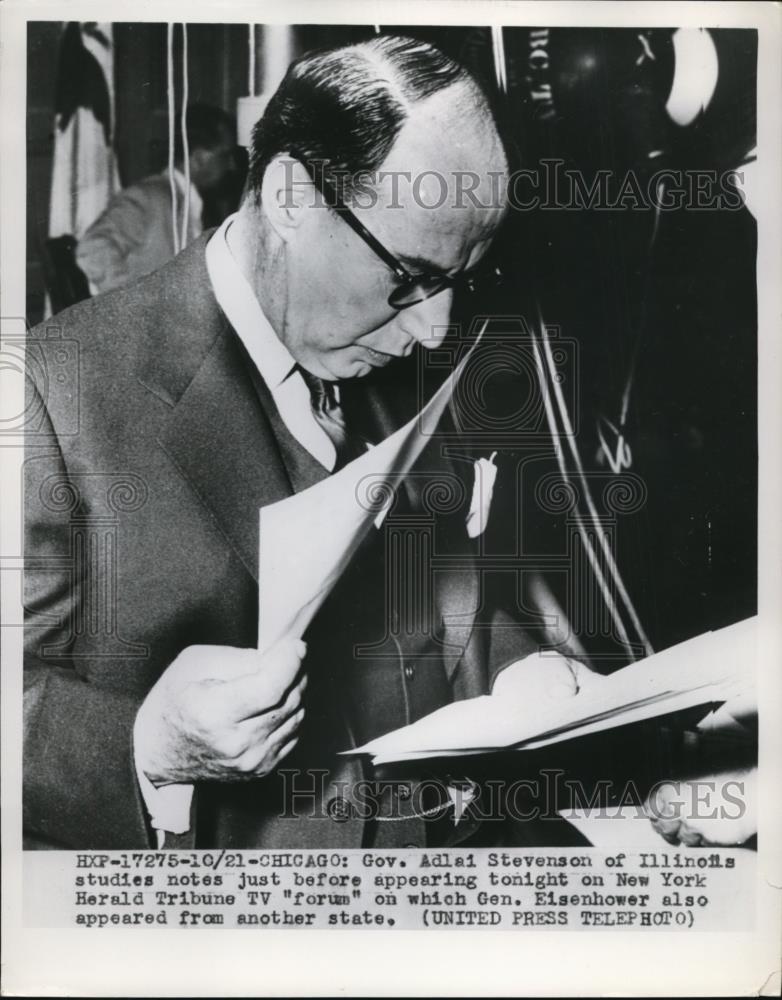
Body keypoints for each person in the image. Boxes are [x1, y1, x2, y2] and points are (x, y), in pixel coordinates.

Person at [24, 36, 592, 851]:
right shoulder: (54, 390)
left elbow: (443, 592)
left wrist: (520, 668)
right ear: (291, 195)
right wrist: (146, 748)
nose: (435, 328)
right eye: (410, 276)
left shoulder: (401, 361)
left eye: (461, 281)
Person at [75, 103, 237, 293]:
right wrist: (134, 304)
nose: (231, 165)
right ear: (199, 157)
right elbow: (92, 249)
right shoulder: (150, 198)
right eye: (225, 155)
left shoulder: (191, 201)